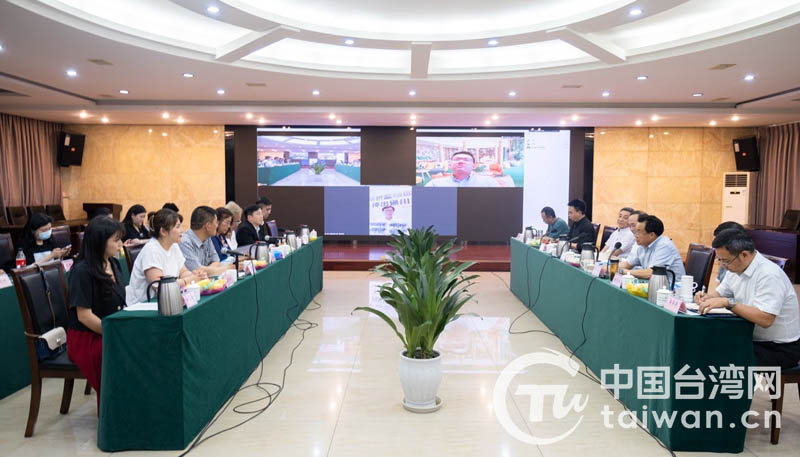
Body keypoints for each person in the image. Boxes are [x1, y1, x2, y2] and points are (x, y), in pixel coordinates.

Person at [697, 229, 800, 369]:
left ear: (744, 254)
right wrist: (705, 297)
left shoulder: (769, 275)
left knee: (719, 357)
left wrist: (729, 303)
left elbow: (765, 319)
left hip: (779, 348)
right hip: (750, 338)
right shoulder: (735, 267)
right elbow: (720, 294)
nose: (722, 265)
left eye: (725, 261)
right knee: (704, 344)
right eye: (719, 260)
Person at [66, 216, 127, 411]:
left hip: (109, 327)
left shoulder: (113, 263)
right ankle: (115, 413)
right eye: (116, 240)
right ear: (100, 242)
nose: (121, 244)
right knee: (121, 353)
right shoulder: (82, 271)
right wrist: (113, 333)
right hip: (87, 336)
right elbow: (84, 316)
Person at [126, 209, 204, 306]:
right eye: (177, 227)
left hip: (167, 300)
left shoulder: (174, 246)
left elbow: (183, 272)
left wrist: (196, 275)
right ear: (163, 231)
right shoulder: (151, 250)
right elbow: (160, 286)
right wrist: (189, 279)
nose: (182, 230)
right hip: (144, 305)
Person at [619, 214, 686, 279]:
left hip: (672, 285)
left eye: (638, 232)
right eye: (635, 231)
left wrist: (623, 271)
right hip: (653, 283)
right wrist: (613, 267)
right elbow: (628, 264)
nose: (635, 235)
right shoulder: (643, 245)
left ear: (651, 235)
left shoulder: (664, 245)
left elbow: (651, 273)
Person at [179, 206, 232, 276]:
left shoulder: (207, 238)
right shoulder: (184, 242)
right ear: (208, 225)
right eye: (216, 222)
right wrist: (226, 268)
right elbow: (197, 270)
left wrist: (207, 270)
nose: (217, 225)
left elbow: (216, 261)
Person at [425, 151, 500, 187]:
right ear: (450, 165)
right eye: (457, 159)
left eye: (466, 160)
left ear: (474, 166)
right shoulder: (435, 184)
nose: (460, 161)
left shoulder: (489, 182)